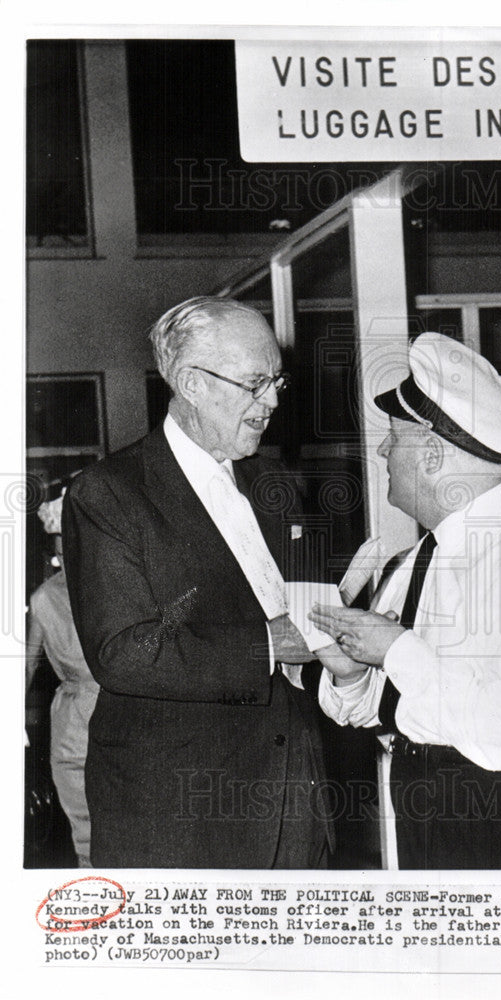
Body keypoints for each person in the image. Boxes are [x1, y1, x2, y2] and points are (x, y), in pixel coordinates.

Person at [310, 332, 501, 870]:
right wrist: (353, 673)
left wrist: (397, 649)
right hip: (438, 813)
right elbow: (401, 709)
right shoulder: (421, 557)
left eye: (394, 437)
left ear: (429, 452)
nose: (382, 451)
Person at [62, 296, 333, 868]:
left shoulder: (273, 481)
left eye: (276, 381)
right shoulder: (110, 494)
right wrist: (270, 643)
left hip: (294, 797)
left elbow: (302, 614)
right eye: (255, 383)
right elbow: (123, 654)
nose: (274, 401)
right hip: (184, 816)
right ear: (190, 383)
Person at [26, 490, 100, 867]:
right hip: (92, 718)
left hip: (78, 721)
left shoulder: (43, 597)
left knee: (91, 832)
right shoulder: (46, 599)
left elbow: (21, 668)